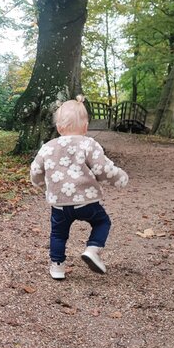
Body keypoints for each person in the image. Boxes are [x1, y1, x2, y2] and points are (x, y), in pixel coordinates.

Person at [30, 95, 128, 280]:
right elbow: (102, 168)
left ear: (59, 128)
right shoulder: (89, 144)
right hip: (86, 201)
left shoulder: (48, 147)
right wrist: (119, 178)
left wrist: (39, 183)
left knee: (58, 234)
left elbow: (36, 169)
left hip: (59, 203)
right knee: (102, 222)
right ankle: (92, 249)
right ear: (85, 126)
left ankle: (57, 267)